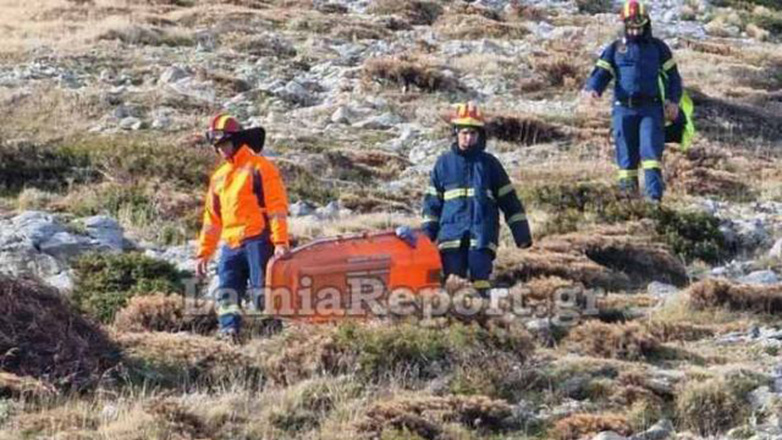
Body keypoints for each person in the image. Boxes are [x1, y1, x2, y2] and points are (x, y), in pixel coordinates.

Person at [421, 102, 532, 298]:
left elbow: (509, 200)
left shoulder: (490, 164)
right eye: (464, 133)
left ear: (480, 135)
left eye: (473, 134)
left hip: (482, 236)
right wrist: (426, 236)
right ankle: (455, 324)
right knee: (453, 284)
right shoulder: (444, 163)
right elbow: (432, 204)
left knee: (480, 281)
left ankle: (481, 320)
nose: (468, 138)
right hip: (450, 237)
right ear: (456, 133)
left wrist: (521, 234)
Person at [195, 113, 290, 341]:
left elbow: (277, 208)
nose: (221, 150)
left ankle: (271, 335)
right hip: (231, 244)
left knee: (262, 292)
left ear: (236, 140)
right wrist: (204, 253)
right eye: (217, 146)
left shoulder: (260, 167)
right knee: (227, 292)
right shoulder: (218, 178)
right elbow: (212, 220)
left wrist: (280, 242)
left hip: (259, 240)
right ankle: (230, 332)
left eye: (224, 144)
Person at [583, 0, 683, 202]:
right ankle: (628, 201)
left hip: (650, 109)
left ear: (646, 23)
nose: (635, 28)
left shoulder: (658, 48)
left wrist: (673, 101)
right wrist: (592, 90)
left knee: (650, 153)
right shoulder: (615, 48)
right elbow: (601, 73)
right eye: (631, 23)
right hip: (623, 110)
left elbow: (673, 77)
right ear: (624, 23)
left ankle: (654, 200)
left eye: (639, 22)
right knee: (626, 158)